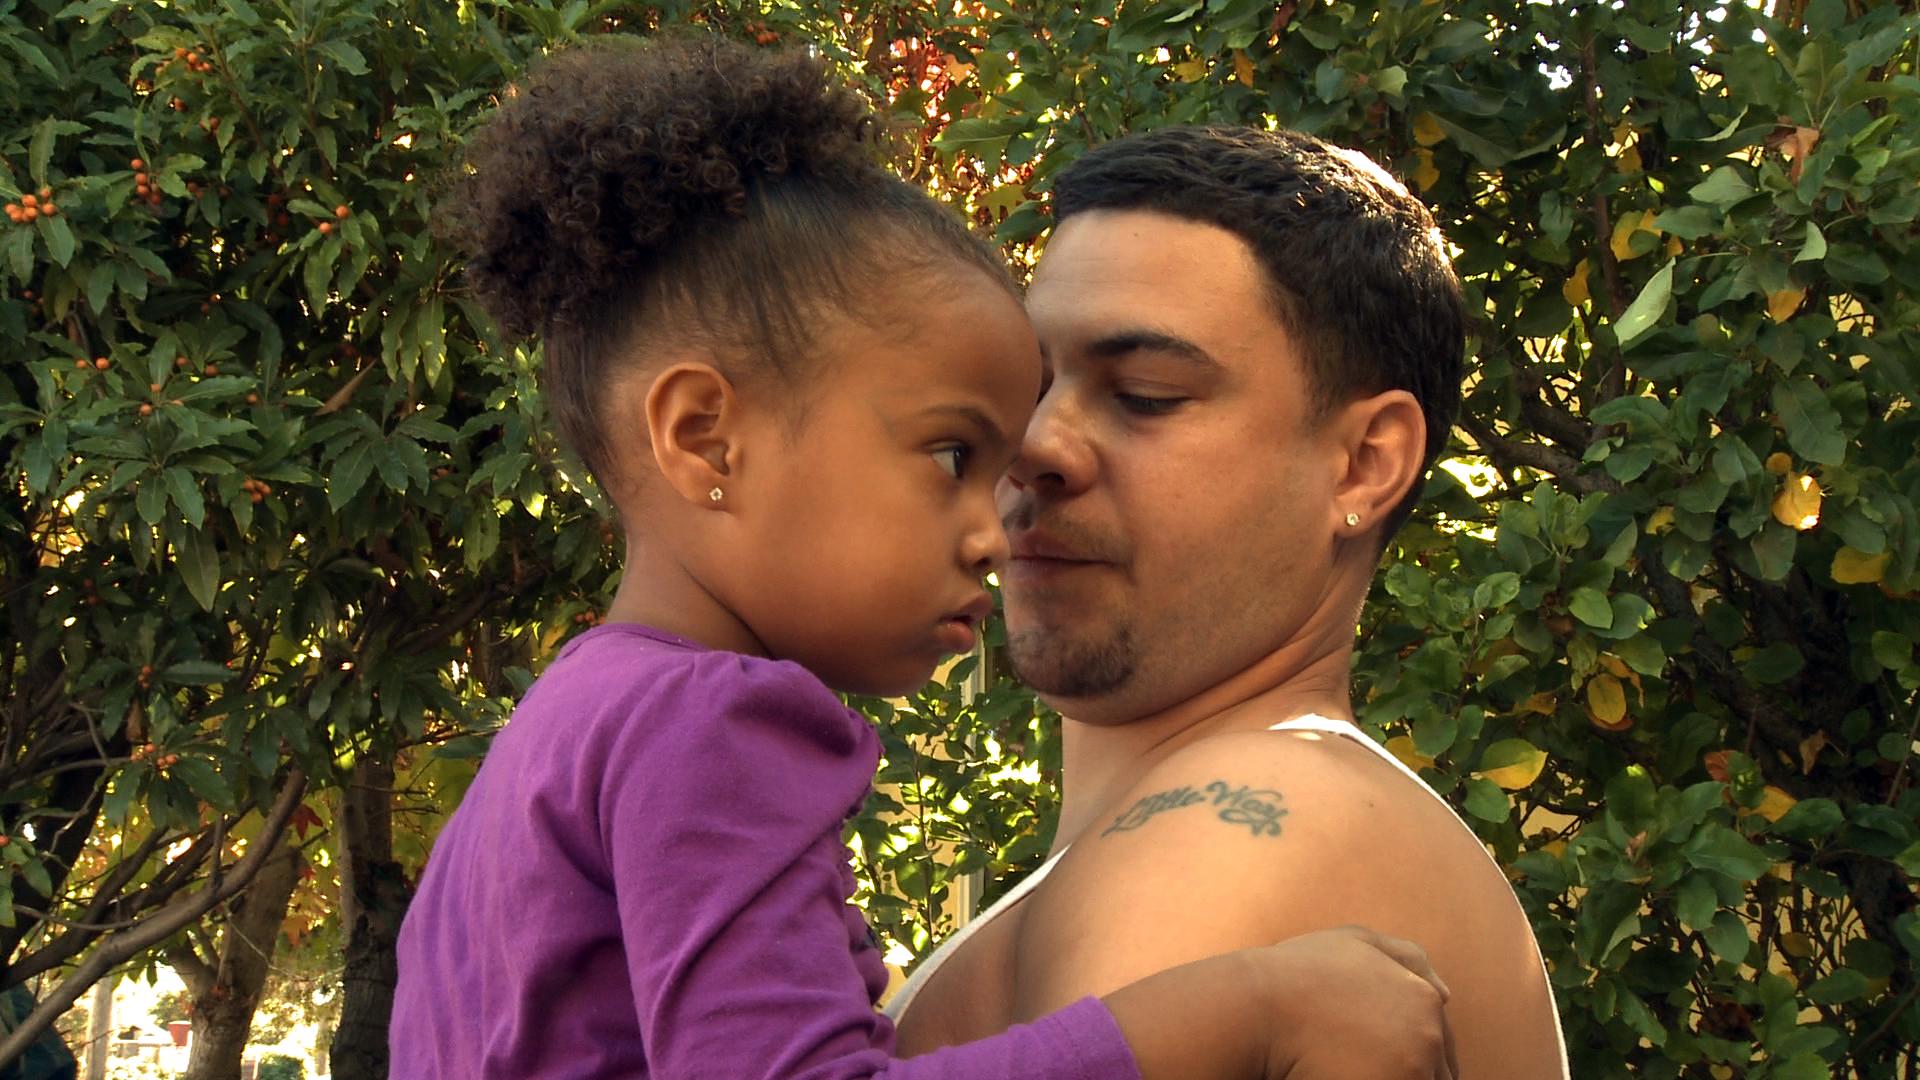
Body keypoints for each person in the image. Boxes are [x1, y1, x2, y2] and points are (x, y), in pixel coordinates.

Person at [389, 37, 1462, 1080]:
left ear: (1366, 464)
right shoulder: (705, 723)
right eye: (956, 449)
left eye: (1145, 395)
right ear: (706, 438)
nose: (1023, 472)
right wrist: (1249, 1011)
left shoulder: (557, 738)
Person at [887, 127, 1570, 1079]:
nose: (1037, 444)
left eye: (1146, 393)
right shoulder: (1281, 818)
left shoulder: (1229, 838)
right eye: (1030, 384)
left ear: (1366, 463)